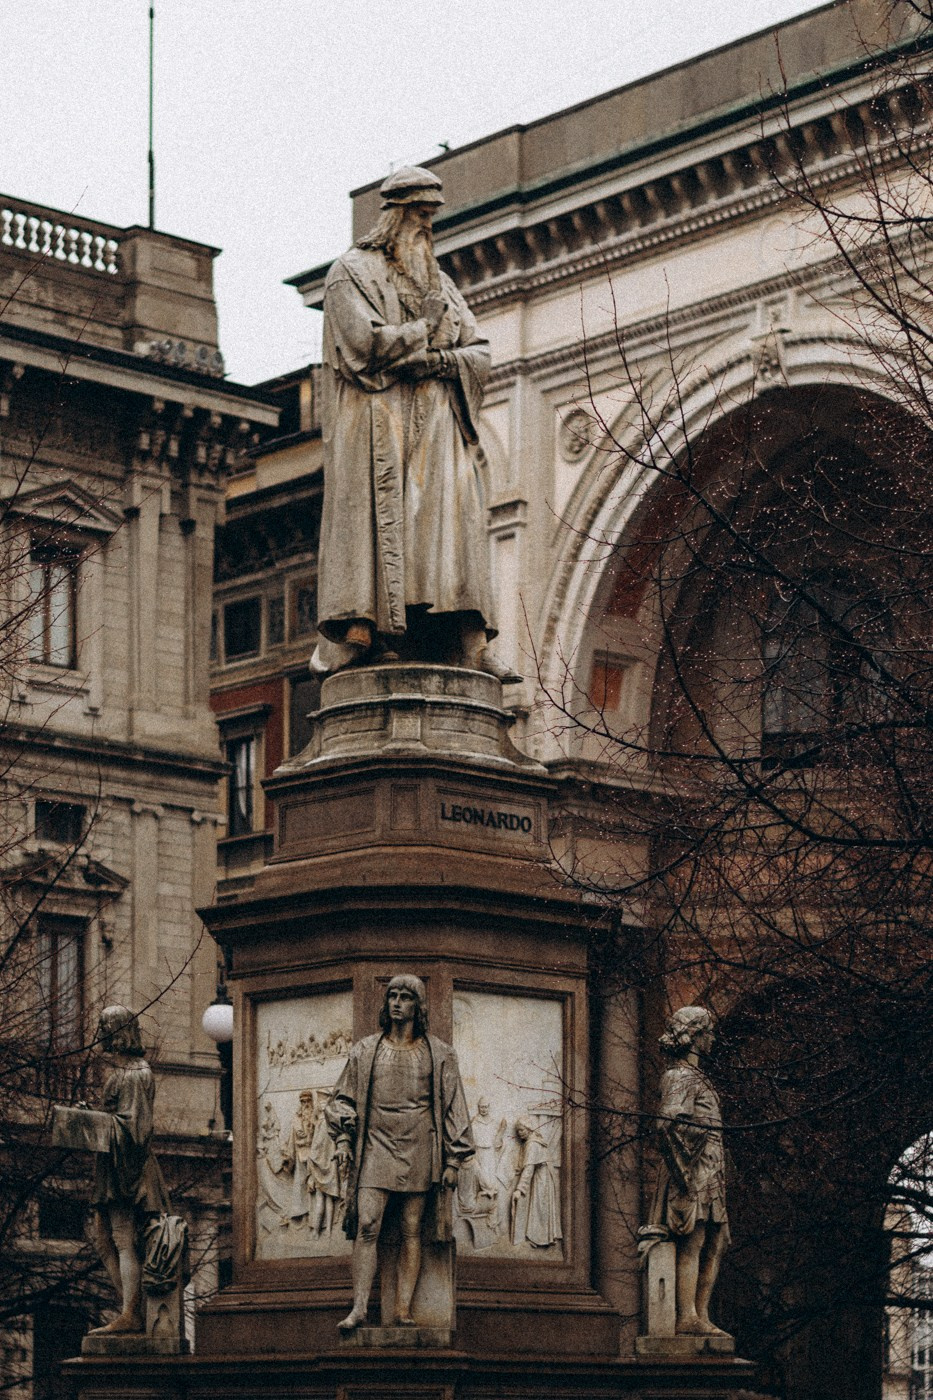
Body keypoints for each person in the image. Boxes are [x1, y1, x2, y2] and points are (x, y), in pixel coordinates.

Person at [311, 165, 518, 682]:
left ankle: (467, 639)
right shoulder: (349, 274)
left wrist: (443, 363)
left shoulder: (441, 282)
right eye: (421, 215)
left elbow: (479, 350)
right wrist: (422, 330)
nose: (428, 227)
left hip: (436, 422)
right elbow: (362, 346)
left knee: (452, 526)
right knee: (381, 524)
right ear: (396, 215)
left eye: (432, 217)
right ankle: (370, 632)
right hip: (377, 420)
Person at [325, 974, 474, 1331]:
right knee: (366, 1224)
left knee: (412, 1229)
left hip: (419, 1144)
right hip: (375, 1144)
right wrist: (344, 1139)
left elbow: (456, 1108)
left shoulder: (439, 1054)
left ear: (418, 1006)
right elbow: (341, 1099)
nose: (396, 1003)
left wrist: (453, 1159)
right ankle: (359, 1307)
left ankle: (403, 1309)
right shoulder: (364, 1050)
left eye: (405, 997)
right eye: (392, 996)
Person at [79, 1006, 172, 1335]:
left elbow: (135, 1130)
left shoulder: (134, 1073)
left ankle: (131, 1313)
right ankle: (133, 1310)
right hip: (114, 1166)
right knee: (103, 1239)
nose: (100, 1033)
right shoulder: (123, 1072)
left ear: (119, 1032)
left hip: (127, 1169)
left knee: (121, 1239)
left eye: (105, 1026)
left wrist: (94, 1123)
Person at [644, 1006, 730, 1337]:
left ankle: (701, 1314)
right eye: (708, 1032)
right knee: (692, 1240)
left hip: (710, 1169)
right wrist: (698, 1140)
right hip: (692, 1171)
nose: (712, 1039)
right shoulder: (679, 1075)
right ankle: (687, 1316)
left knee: (715, 1240)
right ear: (694, 1036)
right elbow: (666, 1124)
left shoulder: (696, 1076)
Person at [510, 1117, 562, 1248]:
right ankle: (542, 1237)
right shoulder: (533, 1140)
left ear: (528, 1128)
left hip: (542, 1178)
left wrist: (519, 1189)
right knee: (540, 1206)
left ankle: (540, 1239)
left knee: (540, 1207)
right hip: (542, 1175)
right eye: (518, 1131)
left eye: (521, 1130)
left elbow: (528, 1169)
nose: (520, 1133)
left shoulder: (532, 1144)